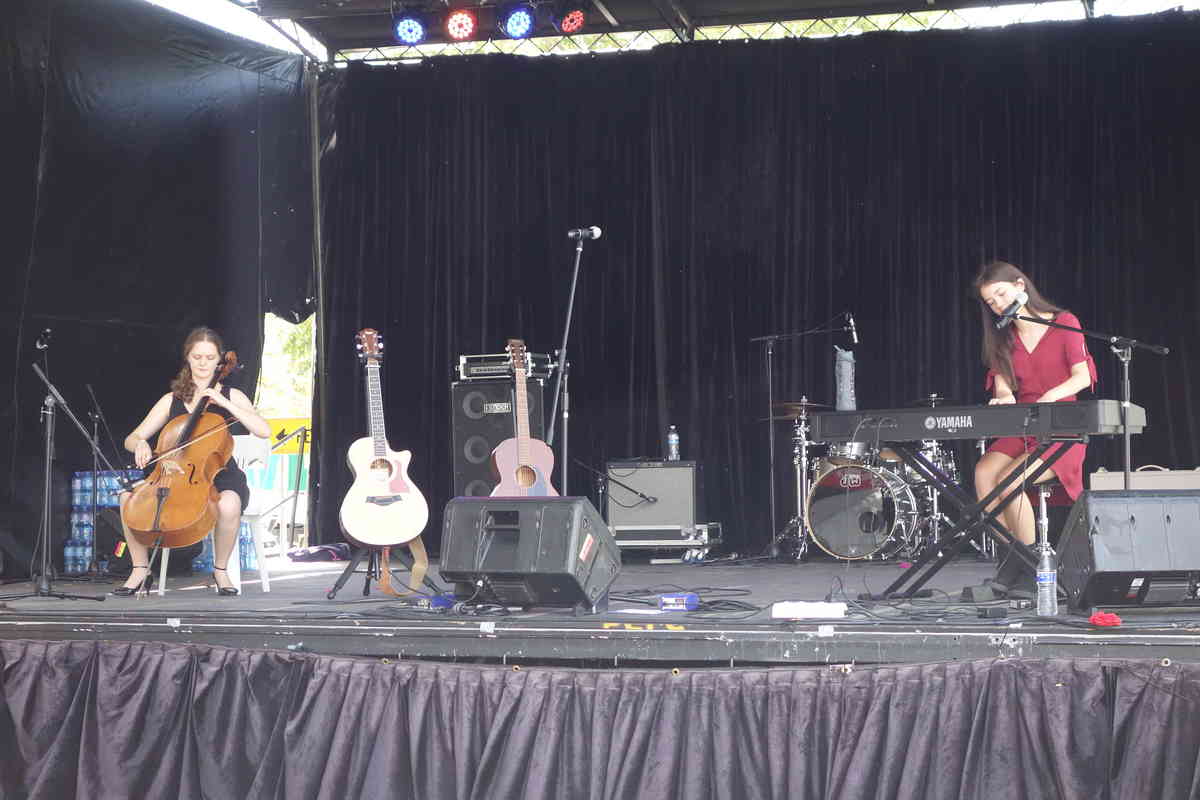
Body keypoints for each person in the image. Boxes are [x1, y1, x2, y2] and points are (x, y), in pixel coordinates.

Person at [113, 327, 271, 596]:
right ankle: (140, 569)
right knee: (127, 497)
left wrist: (224, 402)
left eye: (210, 358)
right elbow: (132, 437)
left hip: (218, 474)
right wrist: (140, 443)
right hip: (171, 472)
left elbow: (263, 430)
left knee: (229, 504)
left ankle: (220, 570)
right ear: (188, 357)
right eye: (197, 357)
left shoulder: (231, 395)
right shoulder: (171, 400)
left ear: (219, 360)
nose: (203, 363)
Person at [972, 261, 1097, 588]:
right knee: (984, 473)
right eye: (991, 302)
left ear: (1020, 286)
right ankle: (1011, 559)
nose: (998, 305)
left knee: (1009, 481)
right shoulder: (1003, 337)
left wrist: (1051, 396)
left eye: (1001, 294)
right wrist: (1003, 396)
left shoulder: (1065, 322)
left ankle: (1030, 568)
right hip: (1024, 425)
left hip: (1061, 427)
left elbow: (1082, 376)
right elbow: (1002, 384)